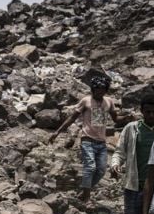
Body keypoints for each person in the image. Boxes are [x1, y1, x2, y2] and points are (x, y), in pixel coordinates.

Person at [49, 69, 119, 203]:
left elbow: (116, 119)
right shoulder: (86, 101)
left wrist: (129, 117)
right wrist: (57, 132)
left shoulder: (109, 102)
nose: (100, 92)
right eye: (98, 89)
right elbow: (72, 118)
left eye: (103, 89)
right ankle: (86, 197)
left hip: (101, 142)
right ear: (93, 89)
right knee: (90, 167)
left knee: (101, 170)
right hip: (87, 140)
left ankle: (84, 190)